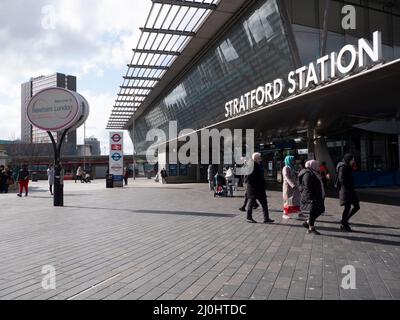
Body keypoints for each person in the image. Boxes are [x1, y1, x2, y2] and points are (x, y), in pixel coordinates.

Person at [246, 153, 274, 224]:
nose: (260, 159)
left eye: (260, 158)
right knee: (251, 203)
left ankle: (266, 218)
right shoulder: (251, 167)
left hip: (259, 189)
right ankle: (249, 218)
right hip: (254, 189)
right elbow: (248, 179)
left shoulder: (258, 165)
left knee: (264, 203)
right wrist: (256, 184)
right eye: (259, 158)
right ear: (255, 159)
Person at [299, 160, 325, 235]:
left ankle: (307, 223)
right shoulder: (308, 173)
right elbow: (307, 187)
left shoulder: (314, 172)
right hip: (313, 197)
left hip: (318, 196)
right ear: (312, 165)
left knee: (319, 210)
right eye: (316, 165)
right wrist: (311, 198)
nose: (318, 166)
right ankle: (311, 228)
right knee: (314, 211)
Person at [336, 154, 360, 232]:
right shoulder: (343, 167)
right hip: (346, 191)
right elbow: (341, 179)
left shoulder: (347, 167)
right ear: (348, 159)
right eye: (352, 160)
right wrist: (348, 186)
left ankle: (344, 221)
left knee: (355, 206)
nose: (353, 161)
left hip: (349, 190)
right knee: (348, 207)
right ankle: (344, 223)